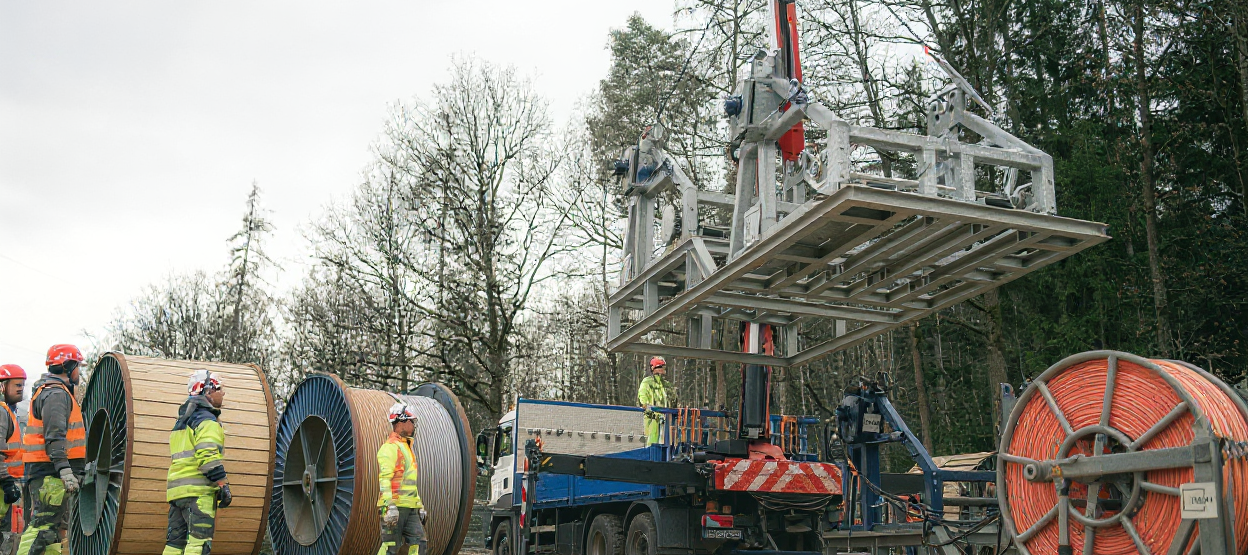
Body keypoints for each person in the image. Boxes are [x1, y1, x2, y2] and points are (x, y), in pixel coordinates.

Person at [17, 345, 85, 555]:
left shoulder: (55, 392)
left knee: (52, 534)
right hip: (50, 474)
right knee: (42, 528)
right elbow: (54, 436)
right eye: (78, 366)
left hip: (51, 473)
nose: (79, 372)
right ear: (68, 366)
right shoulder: (55, 394)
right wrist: (65, 470)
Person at [163, 370, 230, 555]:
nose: (222, 393)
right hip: (198, 495)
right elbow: (208, 458)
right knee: (198, 546)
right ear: (207, 391)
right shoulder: (207, 421)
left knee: (174, 546)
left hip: (177, 494)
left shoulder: (181, 423)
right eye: (219, 389)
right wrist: (223, 484)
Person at [377, 403, 427, 555]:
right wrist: (389, 505)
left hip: (409, 507)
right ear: (401, 422)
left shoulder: (407, 448)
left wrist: (419, 505)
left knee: (419, 543)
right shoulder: (390, 448)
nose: (414, 426)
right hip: (393, 507)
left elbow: (410, 482)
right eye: (412, 421)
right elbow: (384, 479)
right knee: (390, 547)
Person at [0, 365, 25, 555]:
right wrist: (8, 482)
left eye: (22, 385)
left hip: (6, 483)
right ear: (2, 386)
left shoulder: (10, 411)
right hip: (2, 484)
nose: (20, 388)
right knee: (4, 536)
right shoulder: (1, 412)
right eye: (17, 384)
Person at [637, 356, 674, 446]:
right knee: (652, 445)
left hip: (667, 423)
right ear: (654, 368)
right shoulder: (647, 383)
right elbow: (643, 401)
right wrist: (655, 413)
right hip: (653, 422)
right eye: (660, 367)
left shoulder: (667, 385)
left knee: (667, 446)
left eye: (663, 367)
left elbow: (674, 401)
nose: (663, 370)